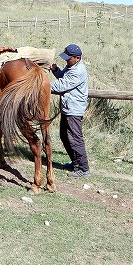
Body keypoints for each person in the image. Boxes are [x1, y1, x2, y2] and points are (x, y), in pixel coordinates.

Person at [50, 43, 90, 178]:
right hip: (68, 107)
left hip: (74, 109)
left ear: (77, 58)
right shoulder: (72, 66)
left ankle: (83, 168)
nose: (66, 60)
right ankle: (75, 163)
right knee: (64, 136)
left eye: (69, 58)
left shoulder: (78, 71)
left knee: (75, 139)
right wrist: (56, 71)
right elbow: (63, 77)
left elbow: (62, 85)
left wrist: (42, 85)